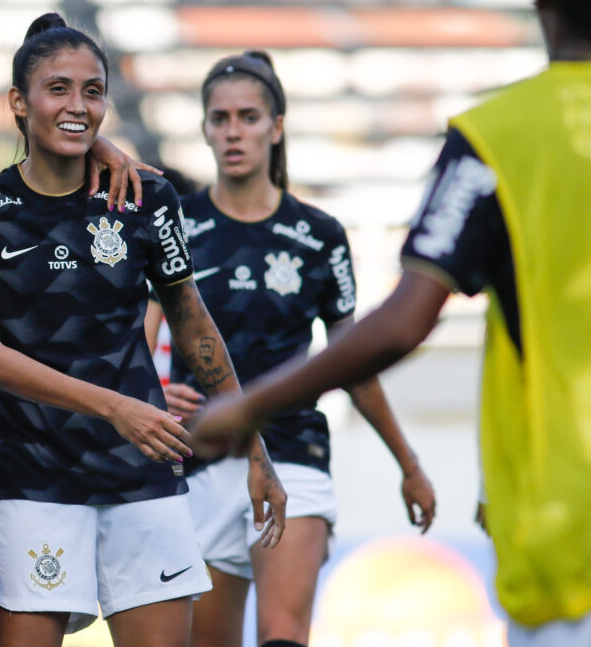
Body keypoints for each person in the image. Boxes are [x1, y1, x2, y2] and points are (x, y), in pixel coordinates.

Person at [190, 0, 591, 645]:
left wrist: (249, 403)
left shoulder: (498, 137)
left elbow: (405, 320)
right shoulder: (184, 222)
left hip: (582, 536)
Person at [0, 15, 287, 647]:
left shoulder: (147, 197)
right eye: (58, 89)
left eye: (93, 91)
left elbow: (192, 321)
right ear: (19, 102)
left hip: (143, 478)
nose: (78, 105)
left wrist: (255, 452)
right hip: (30, 483)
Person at [143, 50, 436, 647]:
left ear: (277, 127)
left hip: (294, 451)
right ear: (203, 127)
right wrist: (150, 395)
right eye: (219, 118)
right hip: (201, 458)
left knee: (281, 637)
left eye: (248, 117)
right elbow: (141, 336)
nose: (233, 131)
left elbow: (355, 363)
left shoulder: (320, 237)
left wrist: (408, 464)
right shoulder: (176, 224)